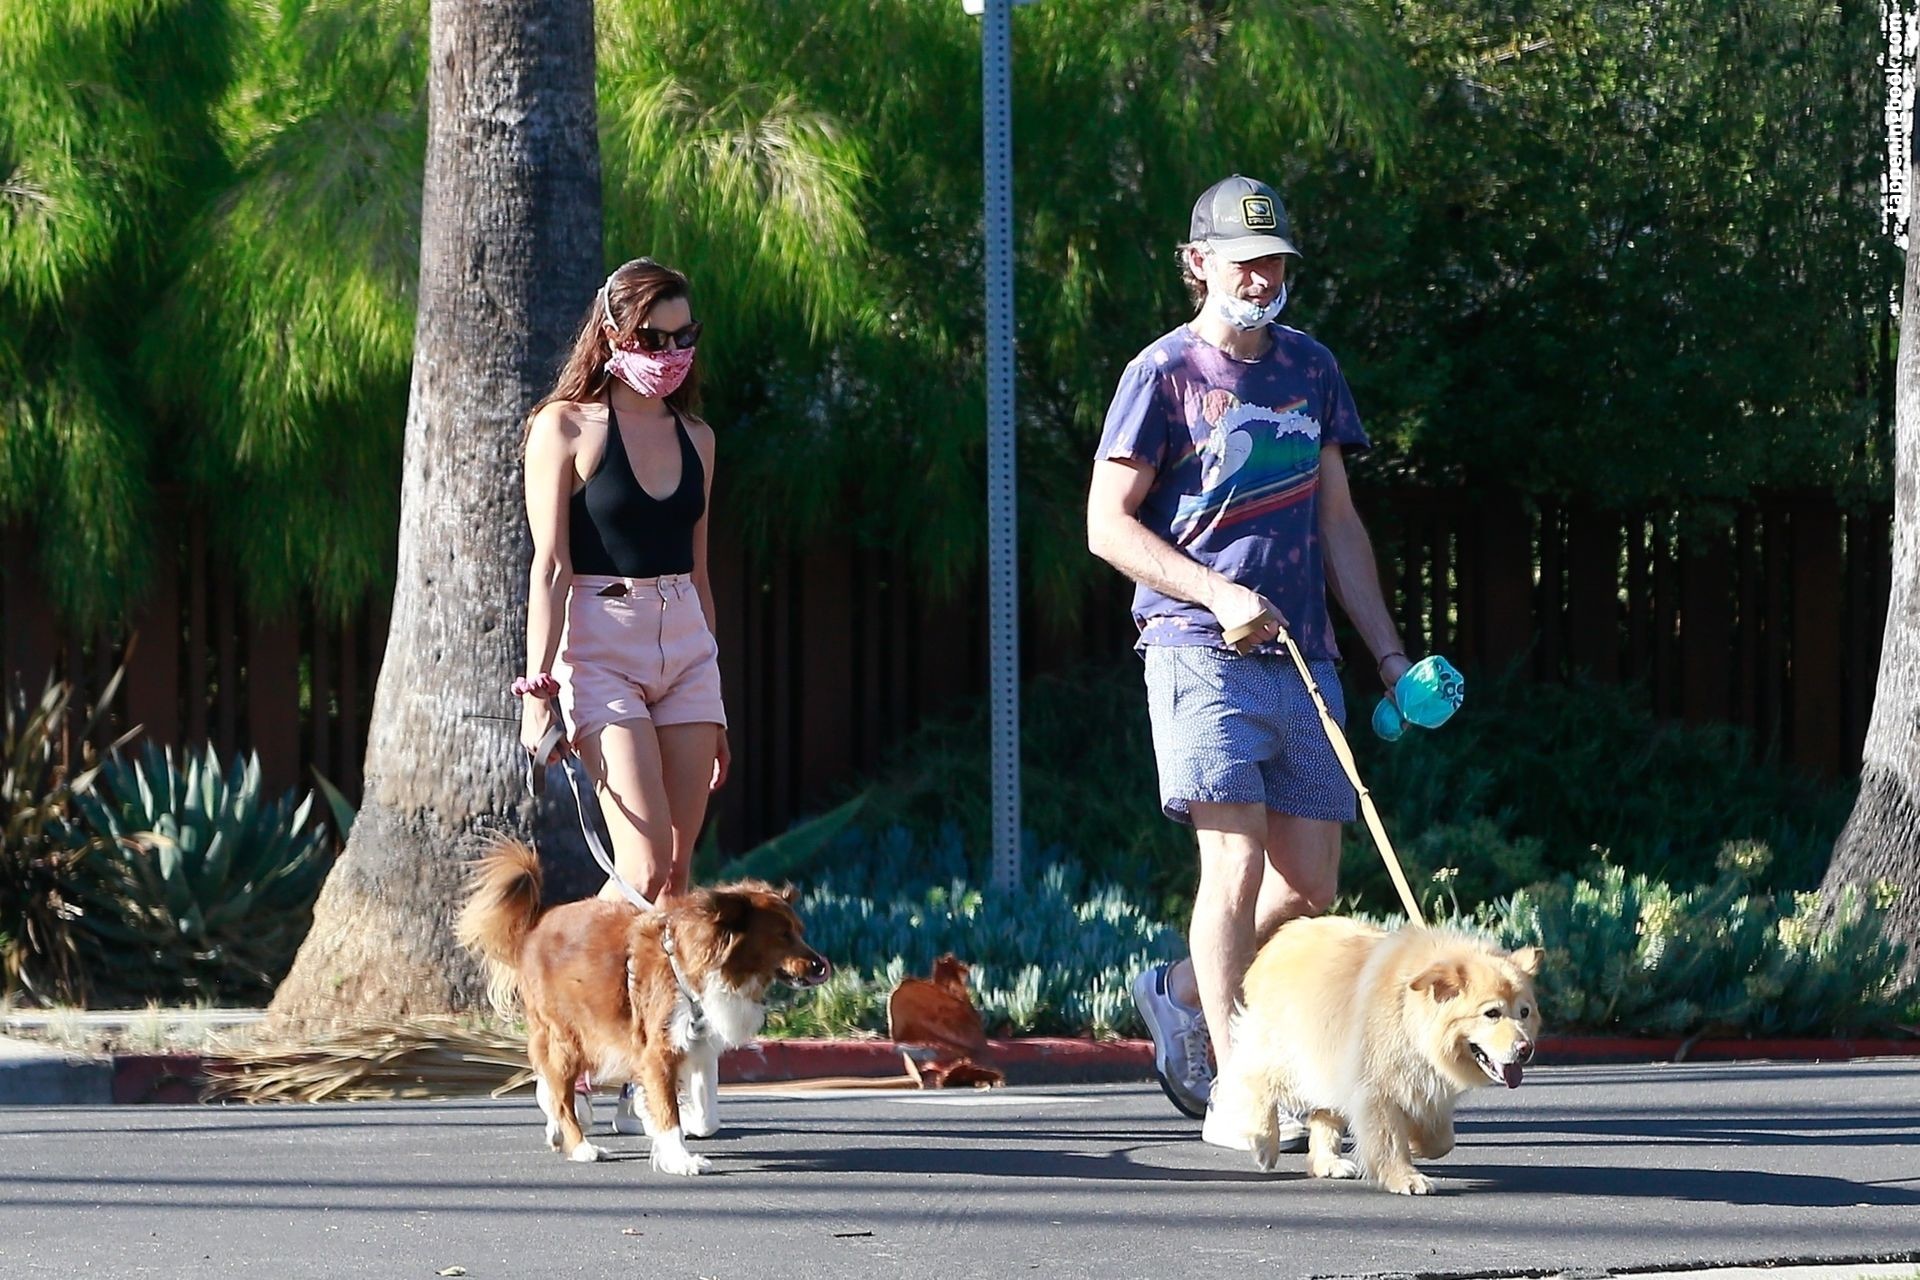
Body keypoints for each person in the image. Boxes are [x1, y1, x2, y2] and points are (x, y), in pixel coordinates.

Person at [1085, 175, 1411, 1149]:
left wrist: (1390, 654)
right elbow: (1107, 524)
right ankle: (1240, 1087)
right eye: (1243, 261)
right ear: (1199, 263)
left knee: (1309, 886)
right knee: (1231, 860)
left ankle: (1181, 990)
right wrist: (1216, 594)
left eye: (1274, 262)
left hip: (1304, 655)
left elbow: (1338, 522)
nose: (1262, 278)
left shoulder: (1312, 369)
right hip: (1197, 648)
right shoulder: (1161, 373)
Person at [517, 257, 729, 911]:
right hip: (602, 646)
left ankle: (643, 988)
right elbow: (550, 567)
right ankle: (559, 963)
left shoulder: (698, 438)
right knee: (643, 867)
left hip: (687, 646)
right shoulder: (565, 426)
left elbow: (699, 573)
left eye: (684, 337)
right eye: (653, 339)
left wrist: (715, 700)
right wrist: (537, 692)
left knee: (676, 876)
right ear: (612, 335)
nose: (671, 354)